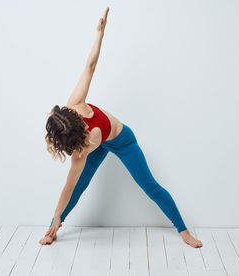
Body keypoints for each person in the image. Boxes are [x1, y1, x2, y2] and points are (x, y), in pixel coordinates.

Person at [39, 7, 202, 248]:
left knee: (150, 186)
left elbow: (90, 66)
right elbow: (70, 187)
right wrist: (55, 218)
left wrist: (100, 34)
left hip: (123, 140)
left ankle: (184, 231)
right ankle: (53, 228)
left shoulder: (78, 117)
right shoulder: (81, 140)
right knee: (79, 186)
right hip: (99, 143)